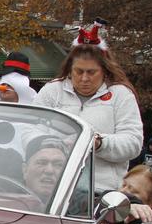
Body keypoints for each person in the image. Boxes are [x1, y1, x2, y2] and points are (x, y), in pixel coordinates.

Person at [33, 44, 143, 193]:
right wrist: (50, 144)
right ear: (70, 70)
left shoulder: (121, 95)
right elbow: (30, 130)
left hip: (101, 190)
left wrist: (99, 143)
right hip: (52, 188)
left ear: (104, 71)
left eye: (91, 72)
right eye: (79, 72)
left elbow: (133, 143)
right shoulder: (52, 91)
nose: (84, 78)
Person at [22, 135, 67, 204]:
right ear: (25, 170)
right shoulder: (6, 204)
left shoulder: (80, 208)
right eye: (41, 163)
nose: (49, 170)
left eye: (58, 165)